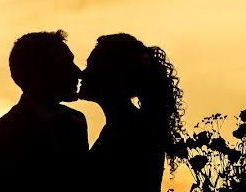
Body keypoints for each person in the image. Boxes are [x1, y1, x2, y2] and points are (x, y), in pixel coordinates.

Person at [0, 30, 88, 192]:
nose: (77, 72)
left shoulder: (77, 121)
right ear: (38, 74)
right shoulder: (4, 134)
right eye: (65, 65)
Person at [79, 34, 184, 192]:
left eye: (91, 66)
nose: (82, 73)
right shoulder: (130, 125)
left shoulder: (134, 131)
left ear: (112, 76)